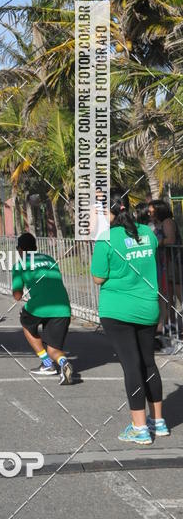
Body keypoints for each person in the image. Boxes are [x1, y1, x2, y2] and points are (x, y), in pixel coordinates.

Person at [92, 190, 169, 444]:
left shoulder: (106, 239)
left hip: (118, 311)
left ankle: (139, 428)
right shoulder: (147, 234)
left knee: (132, 366)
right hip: (147, 308)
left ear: (110, 212)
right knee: (148, 363)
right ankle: (158, 422)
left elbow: (98, 277)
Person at [11, 232, 75, 385]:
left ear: (19, 249)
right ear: (36, 247)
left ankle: (47, 364)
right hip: (63, 307)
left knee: (25, 320)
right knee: (54, 350)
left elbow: (17, 296)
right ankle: (62, 362)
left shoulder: (19, 265)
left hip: (41, 305)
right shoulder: (50, 259)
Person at [149, 198, 182, 340]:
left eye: (152, 211)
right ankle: (170, 328)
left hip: (174, 262)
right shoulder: (157, 223)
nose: (150, 214)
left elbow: (171, 240)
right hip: (164, 263)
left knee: (179, 294)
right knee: (168, 298)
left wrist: (155, 242)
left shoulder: (168, 222)